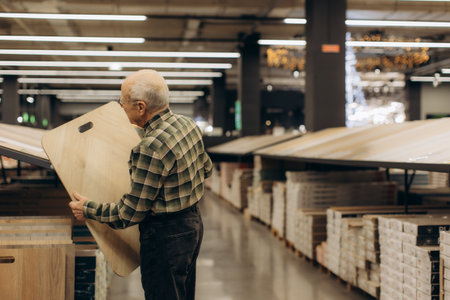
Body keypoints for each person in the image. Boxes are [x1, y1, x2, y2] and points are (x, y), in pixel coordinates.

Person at [69, 69, 213, 300]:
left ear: (140, 107)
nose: (120, 105)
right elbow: (207, 168)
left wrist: (88, 209)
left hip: (166, 239)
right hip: (192, 226)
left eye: (122, 101)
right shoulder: (188, 125)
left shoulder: (150, 146)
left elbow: (129, 213)